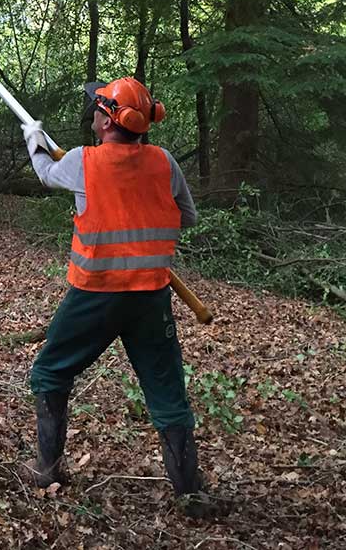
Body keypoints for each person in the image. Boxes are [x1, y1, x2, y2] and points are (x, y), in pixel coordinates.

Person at [20, 77, 218, 517]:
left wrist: (33, 140)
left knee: (50, 372)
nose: (91, 111)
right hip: (151, 296)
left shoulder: (82, 162)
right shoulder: (165, 163)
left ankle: (47, 470)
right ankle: (191, 494)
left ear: (109, 120)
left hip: (95, 296)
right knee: (168, 392)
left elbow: (46, 172)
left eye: (96, 106)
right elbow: (185, 216)